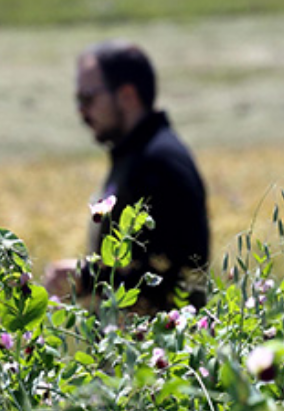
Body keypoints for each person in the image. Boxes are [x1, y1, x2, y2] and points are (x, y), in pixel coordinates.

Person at [43, 41, 210, 313]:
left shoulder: (159, 162)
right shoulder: (134, 155)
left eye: (88, 98)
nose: (81, 112)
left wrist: (88, 279)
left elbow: (179, 270)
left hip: (162, 346)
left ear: (127, 96)